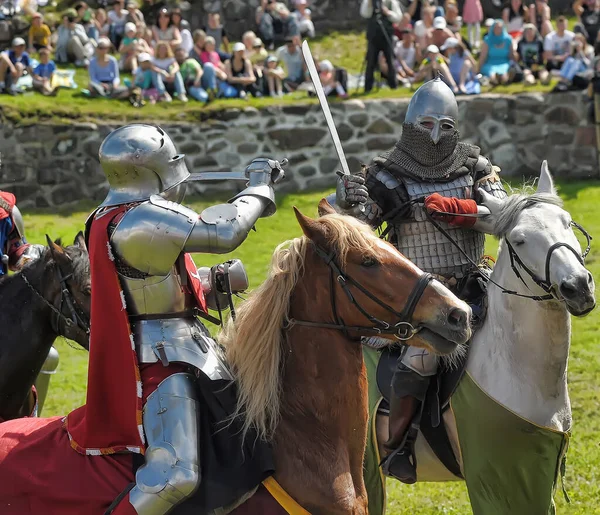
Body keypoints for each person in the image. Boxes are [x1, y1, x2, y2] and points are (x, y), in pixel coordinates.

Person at [64, 124, 279, 515]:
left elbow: (149, 284)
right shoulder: (137, 219)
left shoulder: (111, 214)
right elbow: (225, 231)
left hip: (186, 343)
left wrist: (206, 283)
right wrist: (259, 188)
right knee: (175, 475)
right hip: (162, 360)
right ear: (153, 168)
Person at [329, 77, 507, 485]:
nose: (435, 134)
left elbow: (502, 214)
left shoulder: (474, 165)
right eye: (427, 124)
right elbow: (360, 238)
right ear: (411, 125)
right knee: (423, 357)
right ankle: (399, 444)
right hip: (421, 297)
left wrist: (462, 210)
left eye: (445, 125)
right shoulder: (388, 176)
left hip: (476, 284)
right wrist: (347, 204)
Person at [360, 0, 403, 94]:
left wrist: (387, 12)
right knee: (370, 61)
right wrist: (370, 5)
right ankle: (368, 87)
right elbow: (364, 14)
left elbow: (398, 17)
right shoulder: (368, 1)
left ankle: (393, 85)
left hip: (386, 35)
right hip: (373, 36)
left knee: (390, 61)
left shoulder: (391, 2)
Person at [478, 19, 516, 85]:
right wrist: (478, 69)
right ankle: (495, 80)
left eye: (500, 28)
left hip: (504, 62)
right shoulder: (487, 39)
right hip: (490, 63)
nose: (498, 29)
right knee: (492, 74)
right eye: (496, 28)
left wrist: (514, 63)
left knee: (504, 75)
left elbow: (511, 55)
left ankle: (504, 80)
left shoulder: (508, 39)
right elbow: (483, 56)